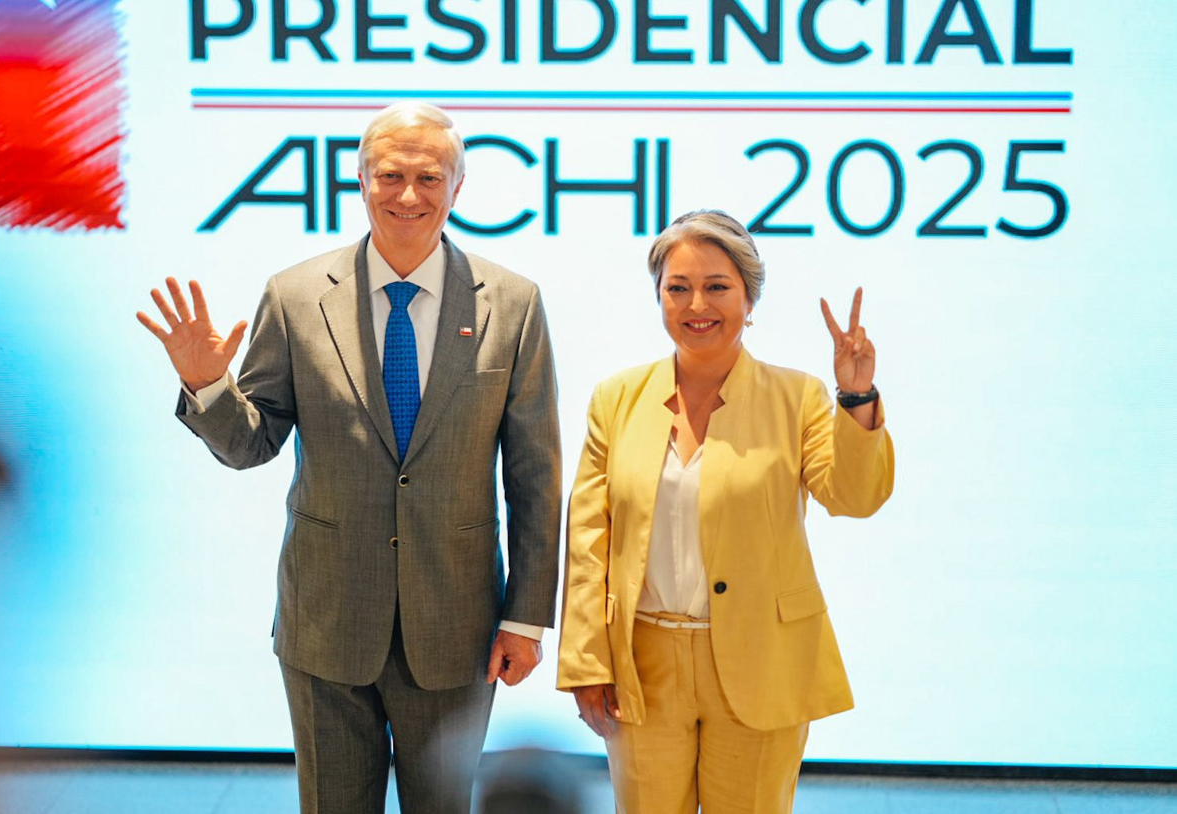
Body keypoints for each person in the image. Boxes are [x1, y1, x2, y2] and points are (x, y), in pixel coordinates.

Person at [137, 102, 562, 814]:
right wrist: (208, 385)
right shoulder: (296, 296)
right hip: (326, 620)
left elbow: (535, 474)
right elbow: (252, 444)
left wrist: (525, 617)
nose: (408, 194)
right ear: (360, 181)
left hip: (456, 623)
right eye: (389, 175)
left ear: (458, 187)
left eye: (429, 177)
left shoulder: (513, 304)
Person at [557, 210, 894, 813]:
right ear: (659, 296)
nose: (697, 305)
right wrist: (586, 661)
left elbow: (853, 496)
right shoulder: (616, 398)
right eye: (678, 288)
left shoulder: (798, 397)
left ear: (749, 297)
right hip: (643, 665)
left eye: (717, 286)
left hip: (762, 657)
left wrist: (856, 395)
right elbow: (588, 541)